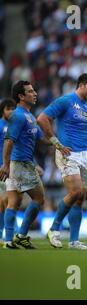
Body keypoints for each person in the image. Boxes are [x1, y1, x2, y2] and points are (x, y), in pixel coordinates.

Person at [37, 73, 87, 250]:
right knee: (75, 192)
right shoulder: (65, 101)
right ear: (80, 85)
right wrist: (56, 143)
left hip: (85, 156)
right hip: (68, 153)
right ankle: (54, 228)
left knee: (80, 198)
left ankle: (74, 241)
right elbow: (42, 119)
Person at [0, 81, 45, 249]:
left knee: (13, 202)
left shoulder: (30, 116)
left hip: (17, 163)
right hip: (17, 164)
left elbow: (40, 139)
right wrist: (4, 165)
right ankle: (19, 236)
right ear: (21, 96)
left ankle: (9, 240)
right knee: (38, 198)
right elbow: (9, 141)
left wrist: (57, 143)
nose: (35, 93)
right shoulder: (18, 116)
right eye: (30, 91)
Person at [0, 98, 17, 245]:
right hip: (2, 167)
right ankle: (12, 233)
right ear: (2, 111)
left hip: (14, 167)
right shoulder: (0, 125)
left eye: (13, 108)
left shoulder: (15, 125)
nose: (11, 111)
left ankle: (5, 234)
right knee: (6, 200)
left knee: (6, 201)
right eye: (8, 109)